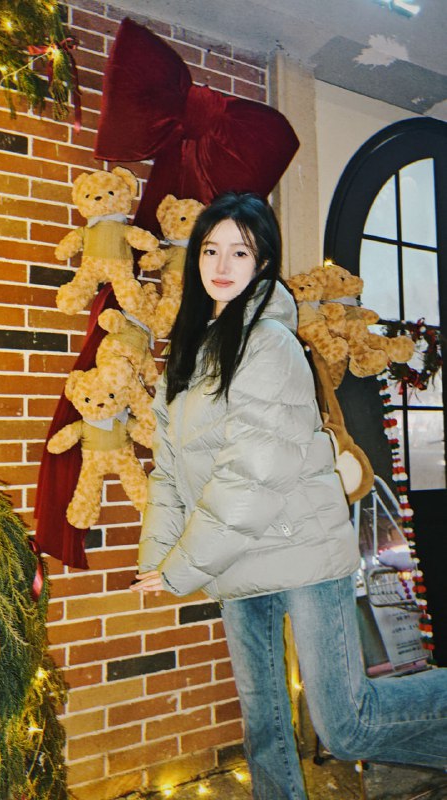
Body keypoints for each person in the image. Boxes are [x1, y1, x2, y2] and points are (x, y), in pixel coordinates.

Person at [130, 192, 447, 800]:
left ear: (263, 263)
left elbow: (252, 474)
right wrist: (156, 557)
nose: (222, 265)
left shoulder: (269, 344)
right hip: (237, 561)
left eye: (240, 252)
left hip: (302, 551)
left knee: (347, 726)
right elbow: (169, 471)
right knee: (266, 728)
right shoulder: (190, 354)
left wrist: (182, 568)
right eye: (211, 250)